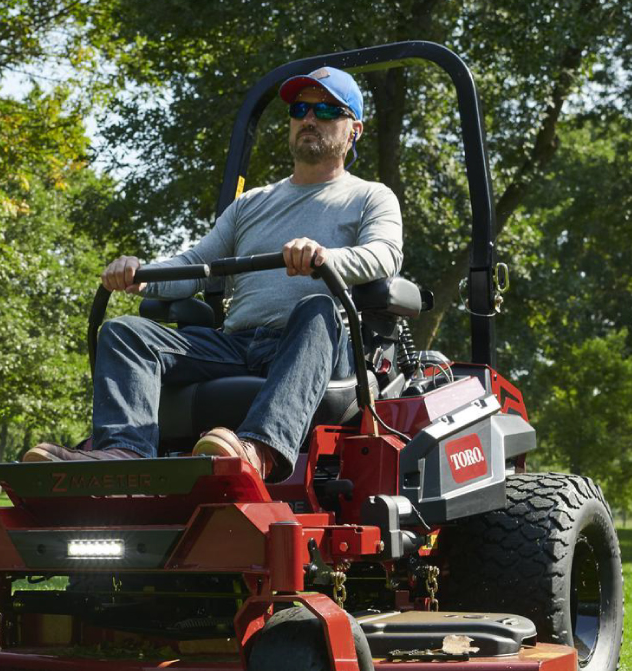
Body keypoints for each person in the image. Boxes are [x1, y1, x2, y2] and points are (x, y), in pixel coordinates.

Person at [25, 66, 403, 479]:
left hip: (315, 347)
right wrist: (142, 274)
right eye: (300, 109)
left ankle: (259, 451)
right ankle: (124, 454)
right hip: (236, 346)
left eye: (328, 110)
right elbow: (197, 265)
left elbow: (385, 255)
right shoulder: (251, 204)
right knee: (124, 332)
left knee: (317, 306)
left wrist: (325, 258)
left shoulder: (370, 196)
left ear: (355, 130)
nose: (309, 119)